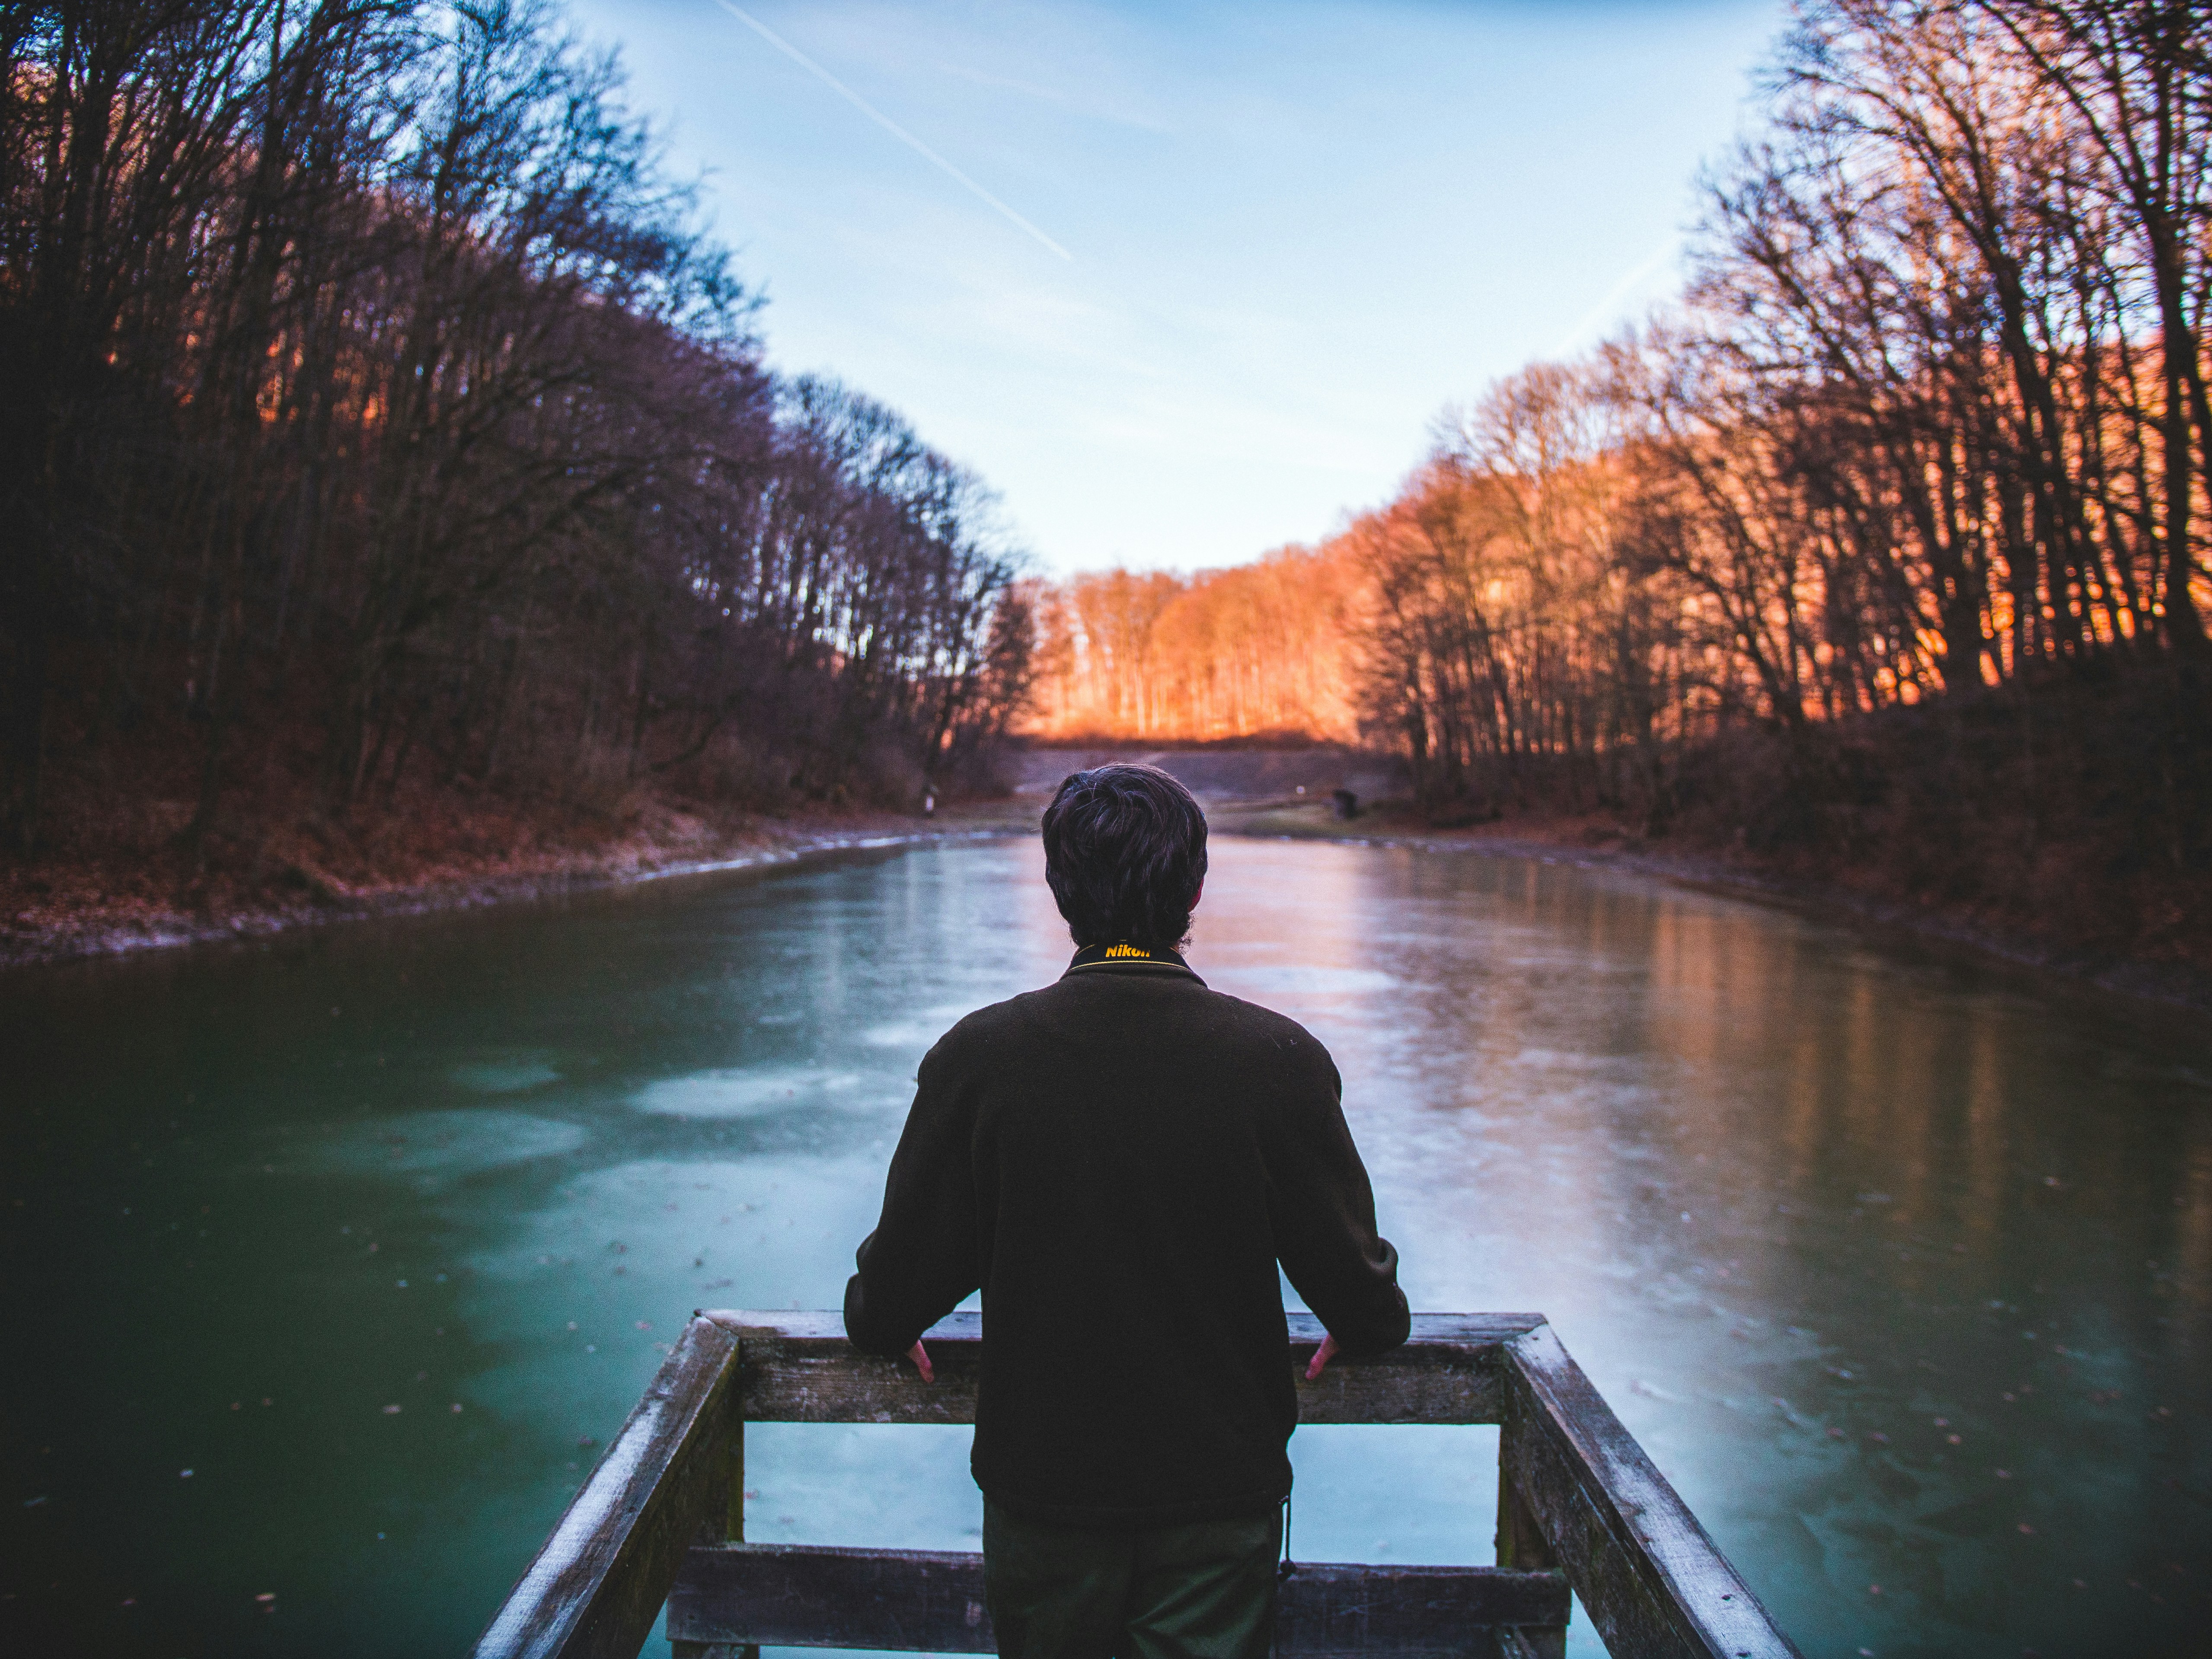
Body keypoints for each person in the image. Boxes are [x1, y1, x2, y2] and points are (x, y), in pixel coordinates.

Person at [844, 762, 1409, 1659]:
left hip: (1045, 1494)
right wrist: (1359, 1319)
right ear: (1194, 886)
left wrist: (891, 1319)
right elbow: (1362, 1293)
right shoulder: (1278, 1060)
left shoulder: (979, 1061)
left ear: (1060, 885)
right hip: (1219, 1495)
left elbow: (892, 1293)